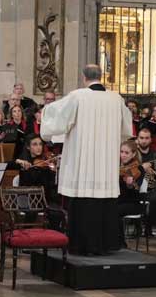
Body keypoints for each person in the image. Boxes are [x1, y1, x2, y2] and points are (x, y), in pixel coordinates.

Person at [41, 64, 132, 255]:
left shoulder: (78, 96)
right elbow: (126, 130)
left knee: (83, 202)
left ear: (84, 77)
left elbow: (56, 119)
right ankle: (105, 245)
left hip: (83, 165)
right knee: (104, 202)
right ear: (101, 76)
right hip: (105, 164)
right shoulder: (116, 99)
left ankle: (81, 245)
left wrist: (46, 114)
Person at [113, 140, 145, 250]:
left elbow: (135, 192)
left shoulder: (138, 169)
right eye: (121, 152)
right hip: (118, 201)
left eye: (126, 153)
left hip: (133, 203)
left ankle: (120, 243)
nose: (123, 155)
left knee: (114, 210)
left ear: (133, 154)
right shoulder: (116, 167)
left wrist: (130, 185)